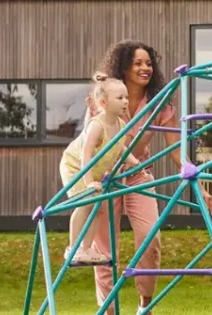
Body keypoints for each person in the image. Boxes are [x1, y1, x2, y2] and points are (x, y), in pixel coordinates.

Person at [87, 41, 212, 315]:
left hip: (140, 176)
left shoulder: (160, 102)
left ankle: (145, 307)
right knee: (105, 248)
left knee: (149, 237)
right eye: (138, 64)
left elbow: (175, 150)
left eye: (149, 63)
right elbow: (90, 143)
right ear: (123, 67)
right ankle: (109, 314)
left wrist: (198, 184)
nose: (146, 68)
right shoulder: (103, 98)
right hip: (105, 178)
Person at [59, 75, 146, 264]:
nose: (125, 102)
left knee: (97, 208)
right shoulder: (97, 125)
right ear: (104, 102)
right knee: (85, 204)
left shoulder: (120, 125)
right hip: (76, 167)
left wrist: (135, 163)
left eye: (126, 97)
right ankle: (73, 249)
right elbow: (86, 153)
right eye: (120, 98)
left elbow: (120, 148)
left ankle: (86, 249)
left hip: (93, 171)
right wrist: (88, 181)